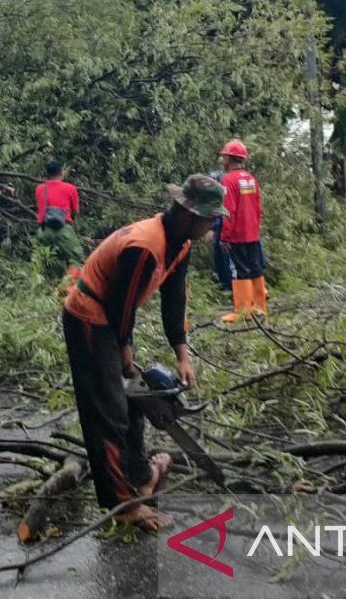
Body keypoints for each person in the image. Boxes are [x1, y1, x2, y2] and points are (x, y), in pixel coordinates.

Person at [62, 175, 226, 530]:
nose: (213, 224)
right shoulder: (145, 245)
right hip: (90, 317)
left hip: (112, 318)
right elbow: (122, 304)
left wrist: (182, 353)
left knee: (132, 402)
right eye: (209, 218)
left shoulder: (179, 243)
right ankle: (122, 507)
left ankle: (139, 476)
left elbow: (174, 299)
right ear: (187, 212)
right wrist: (124, 346)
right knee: (106, 412)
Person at [217, 140, 266, 323]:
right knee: (255, 268)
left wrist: (224, 236)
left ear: (229, 158)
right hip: (253, 233)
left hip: (237, 235)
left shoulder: (228, 180)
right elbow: (258, 208)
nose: (222, 158)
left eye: (224, 155)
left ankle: (243, 311)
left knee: (239, 271)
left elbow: (228, 211)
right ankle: (260, 308)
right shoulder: (251, 179)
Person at [34, 160, 83, 272]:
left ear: (47, 174)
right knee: (75, 258)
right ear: (61, 172)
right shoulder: (70, 189)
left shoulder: (40, 189)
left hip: (44, 231)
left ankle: (38, 285)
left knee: (40, 261)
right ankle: (69, 288)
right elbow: (76, 211)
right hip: (63, 229)